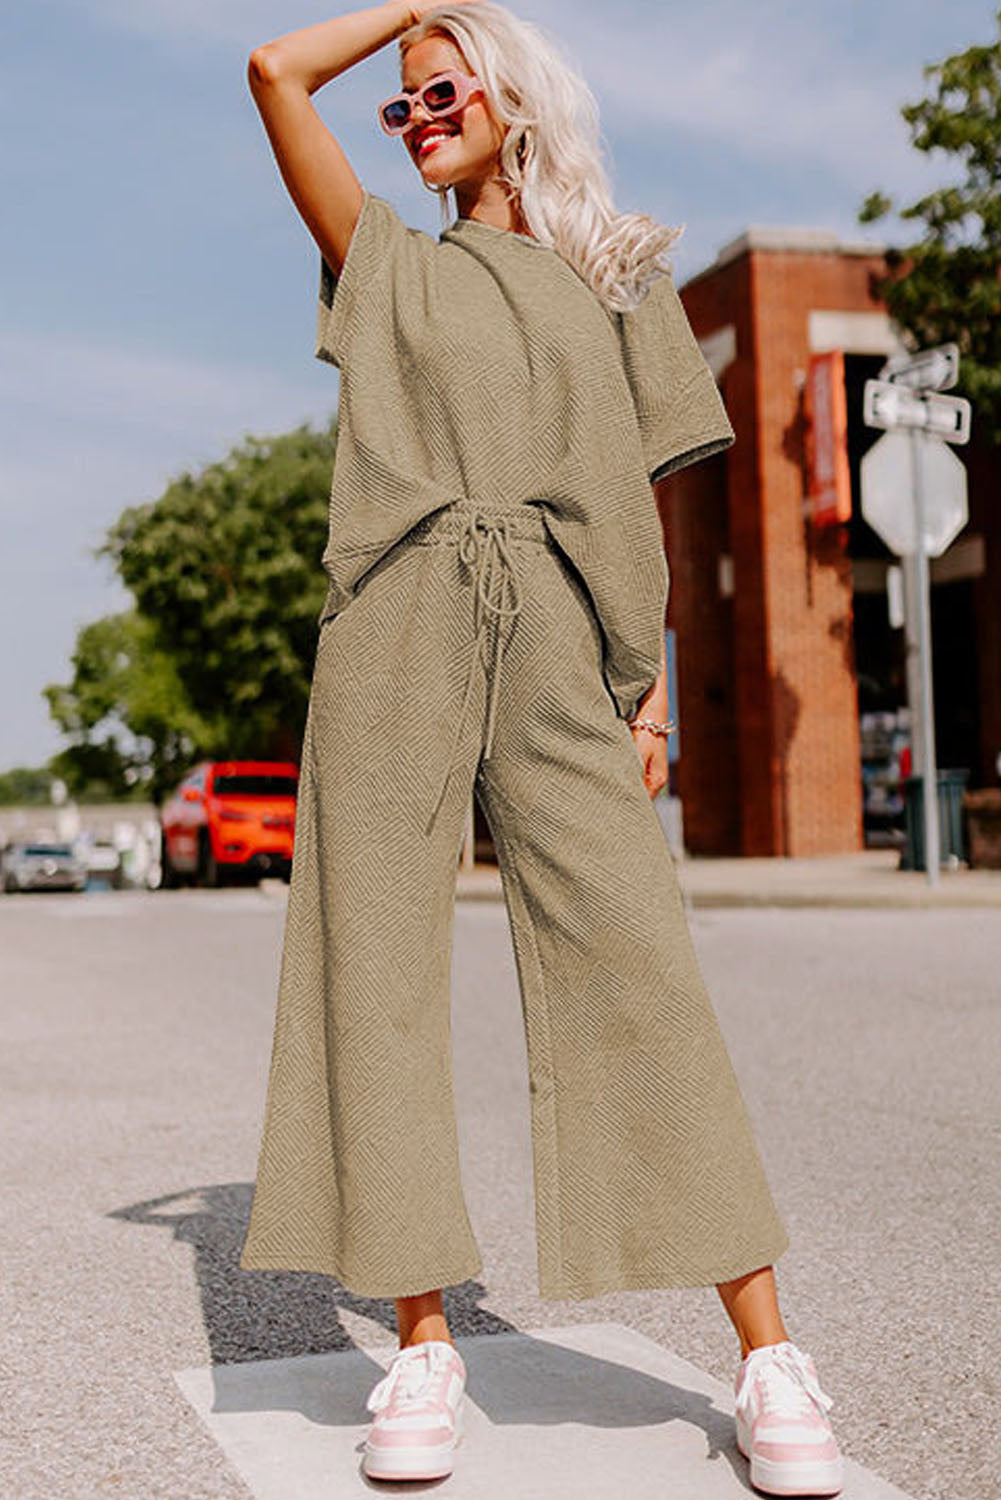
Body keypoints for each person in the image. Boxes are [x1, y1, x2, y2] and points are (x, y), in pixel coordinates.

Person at [239, 3, 844, 1493]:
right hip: (395, 623)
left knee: (639, 970)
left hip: (566, 635)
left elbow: (645, 495)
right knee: (373, 972)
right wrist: (412, 15)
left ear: (509, 99)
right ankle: (422, 1342)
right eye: (399, 107)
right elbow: (272, 70)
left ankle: (768, 1353)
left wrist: (647, 690)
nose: (414, 120)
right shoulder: (383, 261)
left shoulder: (620, 271)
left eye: (439, 92)